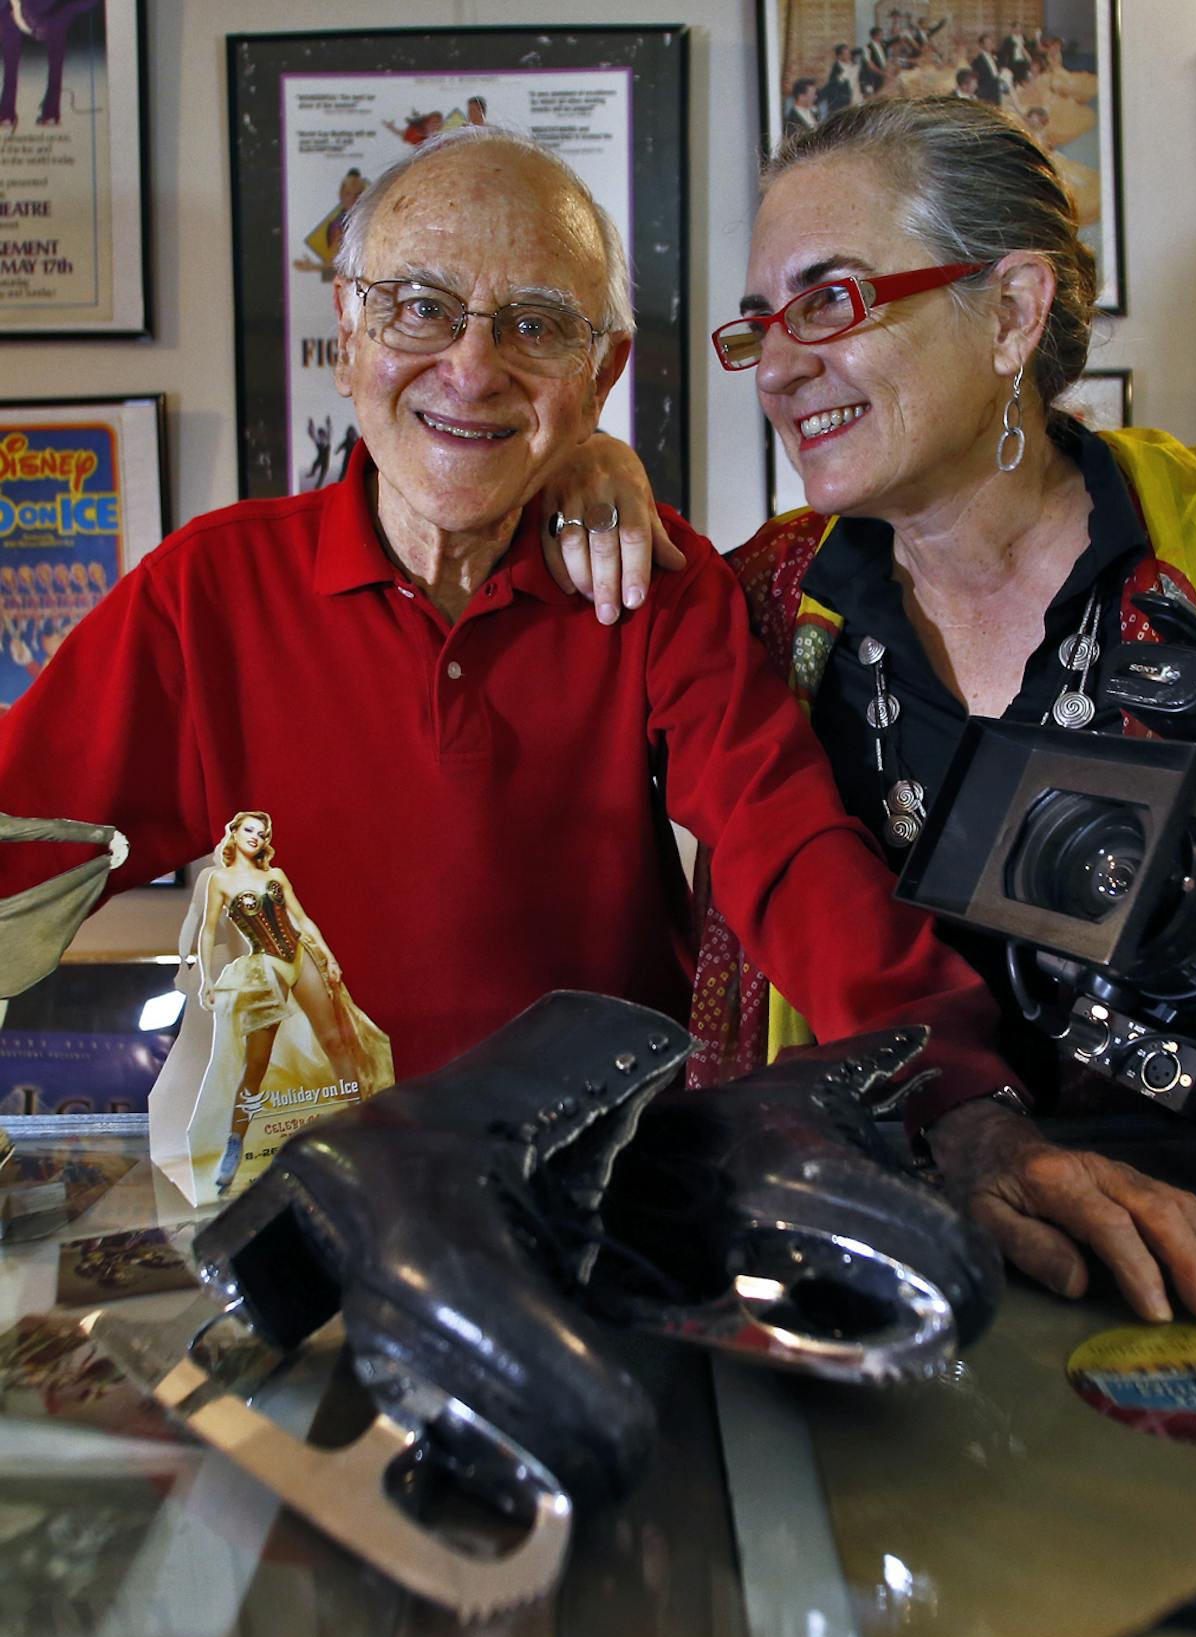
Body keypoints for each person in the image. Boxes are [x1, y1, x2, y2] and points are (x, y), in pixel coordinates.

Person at [0, 123, 1047, 1284]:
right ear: (346, 337)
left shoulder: (652, 584)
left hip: (598, 1210)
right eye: (418, 309)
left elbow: (783, 843)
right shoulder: (209, 592)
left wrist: (958, 1088)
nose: (470, 367)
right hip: (315, 1218)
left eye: (536, 326)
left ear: (597, 380)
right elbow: (19, 843)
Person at [545, 96, 1196, 1326]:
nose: (782, 367)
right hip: (884, 1260)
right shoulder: (762, 603)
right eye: (760, 326)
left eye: (829, 302)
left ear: (1009, 312)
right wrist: (580, 460)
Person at [186, 810, 392, 1192]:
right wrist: (206, 981)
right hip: (265, 966)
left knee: (335, 1041)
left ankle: (360, 1126)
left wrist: (329, 957)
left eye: (261, 833)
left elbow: (302, 919)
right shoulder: (221, 880)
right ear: (235, 833)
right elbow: (208, 931)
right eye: (249, 830)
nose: (256, 837)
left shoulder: (275, 876)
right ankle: (235, 1142)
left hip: (300, 956)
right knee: (256, 1064)